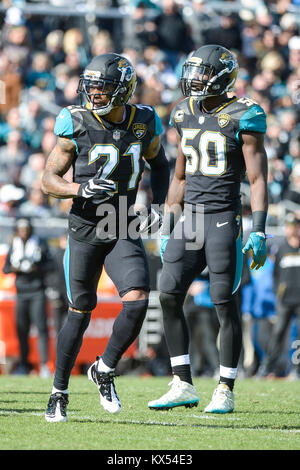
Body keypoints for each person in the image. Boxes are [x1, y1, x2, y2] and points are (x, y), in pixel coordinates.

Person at [41, 53, 170, 422]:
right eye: (92, 86)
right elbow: (48, 179)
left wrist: (159, 205)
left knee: (138, 299)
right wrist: (79, 188)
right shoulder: (75, 122)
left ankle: (105, 368)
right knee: (80, 311)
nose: (94, 94)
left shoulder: (144, 120)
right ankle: (59, 392)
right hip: (83, 227)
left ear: (124, 89)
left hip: (122, 223)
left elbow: (159, 163)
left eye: (103, 88)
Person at [148, 44, 268, 413]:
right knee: (168, 293)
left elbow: (258, 177)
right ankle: (182, 381)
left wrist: (259, 228)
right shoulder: (183, 111)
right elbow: (180, 175)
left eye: (202, 73)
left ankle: (225, 387)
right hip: (191, 220)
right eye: (193, 71)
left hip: (222, 219)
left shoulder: (244, 114)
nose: (193, 79)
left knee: (223, 301)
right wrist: (169, 221)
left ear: (221, 76)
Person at [2, 217, 53, 377]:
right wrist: (16, 268)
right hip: (21, 292)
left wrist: (36, 267)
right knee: (21, 330)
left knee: (41, 328)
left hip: (37, 291)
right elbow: (5, 269)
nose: (23, 232)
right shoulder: (14, 244)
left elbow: (51, 265)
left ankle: (44, 364)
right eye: (20, 229)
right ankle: (24, 364)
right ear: (17, 231)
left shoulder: (39, 243)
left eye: (26, 229)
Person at [257, 213, 300, 379]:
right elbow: (275, 275)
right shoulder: (281, 247)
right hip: (284, 300)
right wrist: (278, 292)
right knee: (278, 333)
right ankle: (266, 367)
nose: (291, 229)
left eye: (293, 226)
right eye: (288, 226)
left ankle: (296, 370)